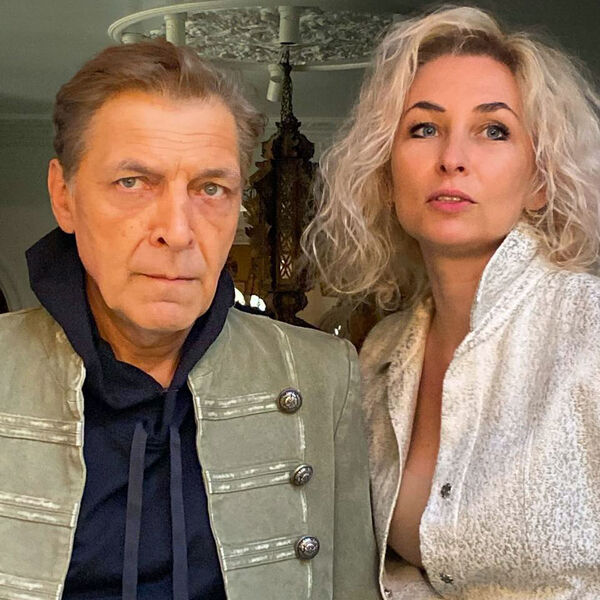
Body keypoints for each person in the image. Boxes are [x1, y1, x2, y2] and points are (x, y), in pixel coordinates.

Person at [0, 40, 379, 600]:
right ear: (65, 197)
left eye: (210, 188)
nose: (177, 231)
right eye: (133, 182)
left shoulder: (322, 376)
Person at [304, 5, 600, 599]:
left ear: (540, 180)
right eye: (423, 128)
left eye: (494, 130)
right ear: (386, 174)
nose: (452, 158)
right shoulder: (379, 354)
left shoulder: (589, 332)